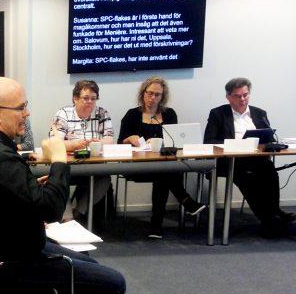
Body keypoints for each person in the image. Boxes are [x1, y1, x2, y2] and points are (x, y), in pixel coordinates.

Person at [0, 77, 125, 294]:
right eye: (21, 107)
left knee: (88, 260)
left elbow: (7, 196)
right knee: (113, 283)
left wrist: (30, 186)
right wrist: (58, 159)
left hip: (1, 252)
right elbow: (51, 210)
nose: (27, 113)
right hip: (9, 265)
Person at [203, 77, 294, 237]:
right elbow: (209, 141)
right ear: (228, 97)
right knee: (247, 178)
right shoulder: (218, 114)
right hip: (230, 162)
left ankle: (274, 214)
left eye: (245, 95)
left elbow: (269, 140)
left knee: (270, 173)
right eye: (238, 96)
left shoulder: (259, 113)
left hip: (257, 160)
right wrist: (236, 144)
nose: (243, 99)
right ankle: (270, 220)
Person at [118, 76, 206, 238]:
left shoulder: (169, 114)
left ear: (162, 97)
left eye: (157, 94)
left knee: (163, 173)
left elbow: (175, 141)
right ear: (143, 93)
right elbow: (119, 142)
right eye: (150, 93)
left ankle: (156, 226)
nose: (153, 98)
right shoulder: (132, 115)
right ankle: (185, 201)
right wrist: (129, 139)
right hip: (137, 166)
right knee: (165, 173)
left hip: (162, 163)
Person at [50, 80, 115, 221]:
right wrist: (75, 144)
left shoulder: (102, 113)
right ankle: (67, 220)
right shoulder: (63, 114)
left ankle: (79, 211)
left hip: (94, 166)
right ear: (75, 98)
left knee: (105, 178)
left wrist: (98, 143)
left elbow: (110, 138)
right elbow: (55, 143)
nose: (90, 102)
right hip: (69, 166)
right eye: (86, 98)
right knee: (58, 178)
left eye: (93, 98)